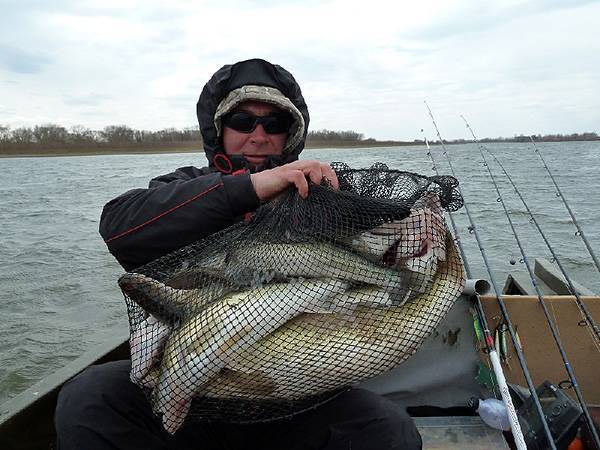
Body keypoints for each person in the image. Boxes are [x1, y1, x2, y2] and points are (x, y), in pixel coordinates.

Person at [55, 58, 422, 450]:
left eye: (275, 124)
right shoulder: (184, 187)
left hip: (299, 397)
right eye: (243, 122)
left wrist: (416, 234)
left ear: (291, 135)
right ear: (219, 130)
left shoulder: (324, 194)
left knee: (388, 430)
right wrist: (249, 187)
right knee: (89, 397)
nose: (258, 136)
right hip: (195, 396)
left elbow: (386, 245)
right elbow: (118, 228)